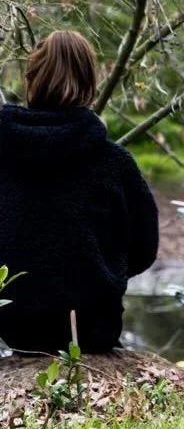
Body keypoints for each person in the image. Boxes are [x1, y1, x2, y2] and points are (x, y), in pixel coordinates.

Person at [0, 31, 158, 354]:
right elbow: (145, 247)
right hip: (92, 330)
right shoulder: (115, 163)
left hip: (17, 330)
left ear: (31, 82)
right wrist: (103, 267)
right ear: (90, 85)